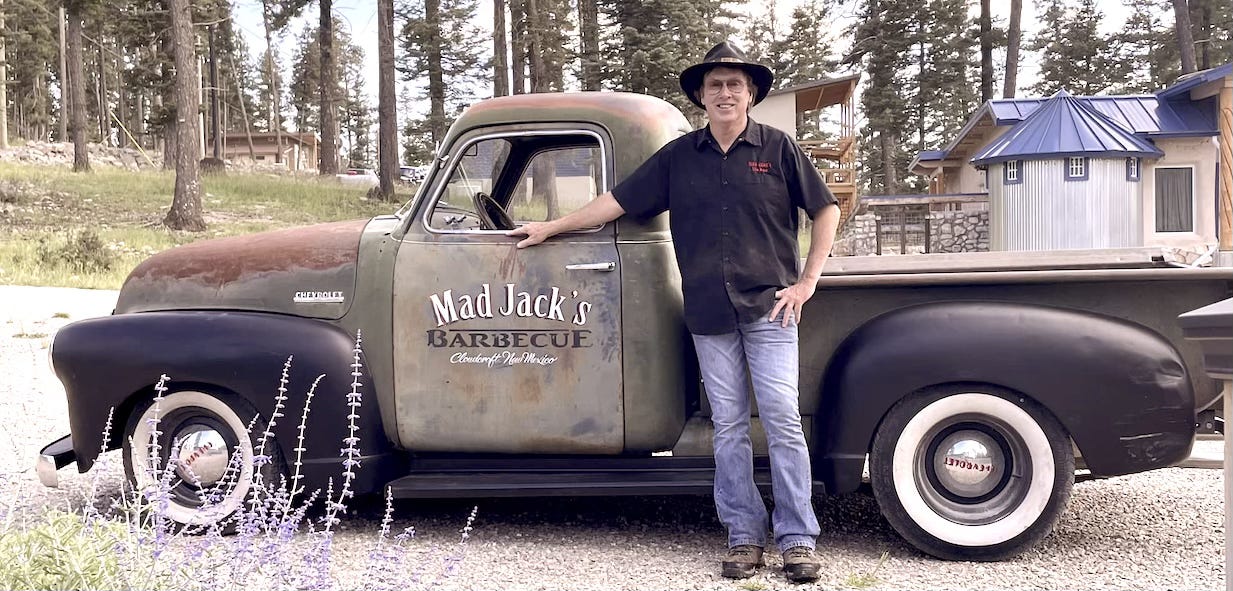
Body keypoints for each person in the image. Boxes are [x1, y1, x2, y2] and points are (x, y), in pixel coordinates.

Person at [508, 41, 840, 583]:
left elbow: (825, 209)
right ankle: (743, 535)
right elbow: (613, 203)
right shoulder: (679, 157)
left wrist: (807, 281)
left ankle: (798, 538)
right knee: (729, 426)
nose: (725, 93)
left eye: (735, 84)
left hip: (771, 310)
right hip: (709, 313)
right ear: (701, 98)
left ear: (751, 93)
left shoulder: (779, 149)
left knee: (781, 422)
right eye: (715, 86)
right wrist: (550, 227)